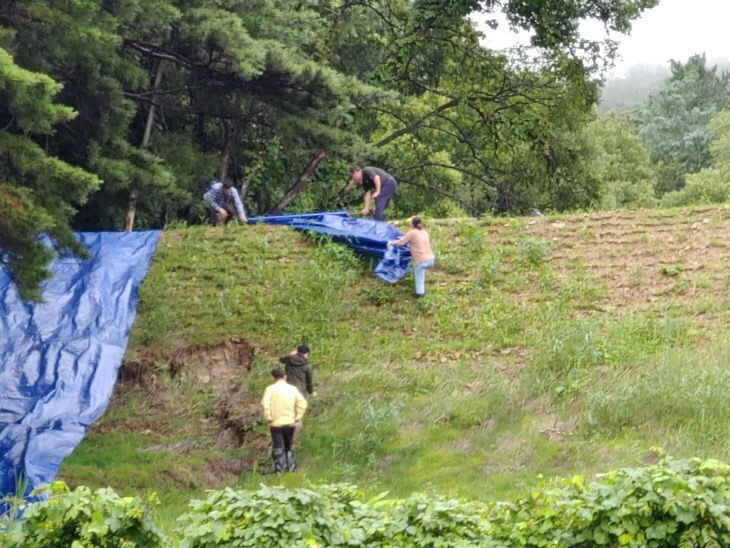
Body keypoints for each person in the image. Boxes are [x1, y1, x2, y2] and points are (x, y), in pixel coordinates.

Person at [261, 368, 307, 473]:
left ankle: (279, 470)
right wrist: (298, 416)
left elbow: (265, 403)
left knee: (278, 446)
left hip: (276, 423)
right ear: (285, 377)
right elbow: (302, 403)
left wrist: (268, 416)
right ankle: (290, 467)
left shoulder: (270, 389)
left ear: (273, 378)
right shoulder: (293, 389)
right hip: (290, 423)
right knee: (289, 445)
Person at [387, 217, 435, 298]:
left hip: (421, 260)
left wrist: (391, 243)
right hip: (431, 258)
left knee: (419, 276)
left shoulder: (412, 233)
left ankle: (420, 294)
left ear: (412, 224)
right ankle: (420, 291)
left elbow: (401, 242)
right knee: (417, 271)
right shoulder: (424, 232)